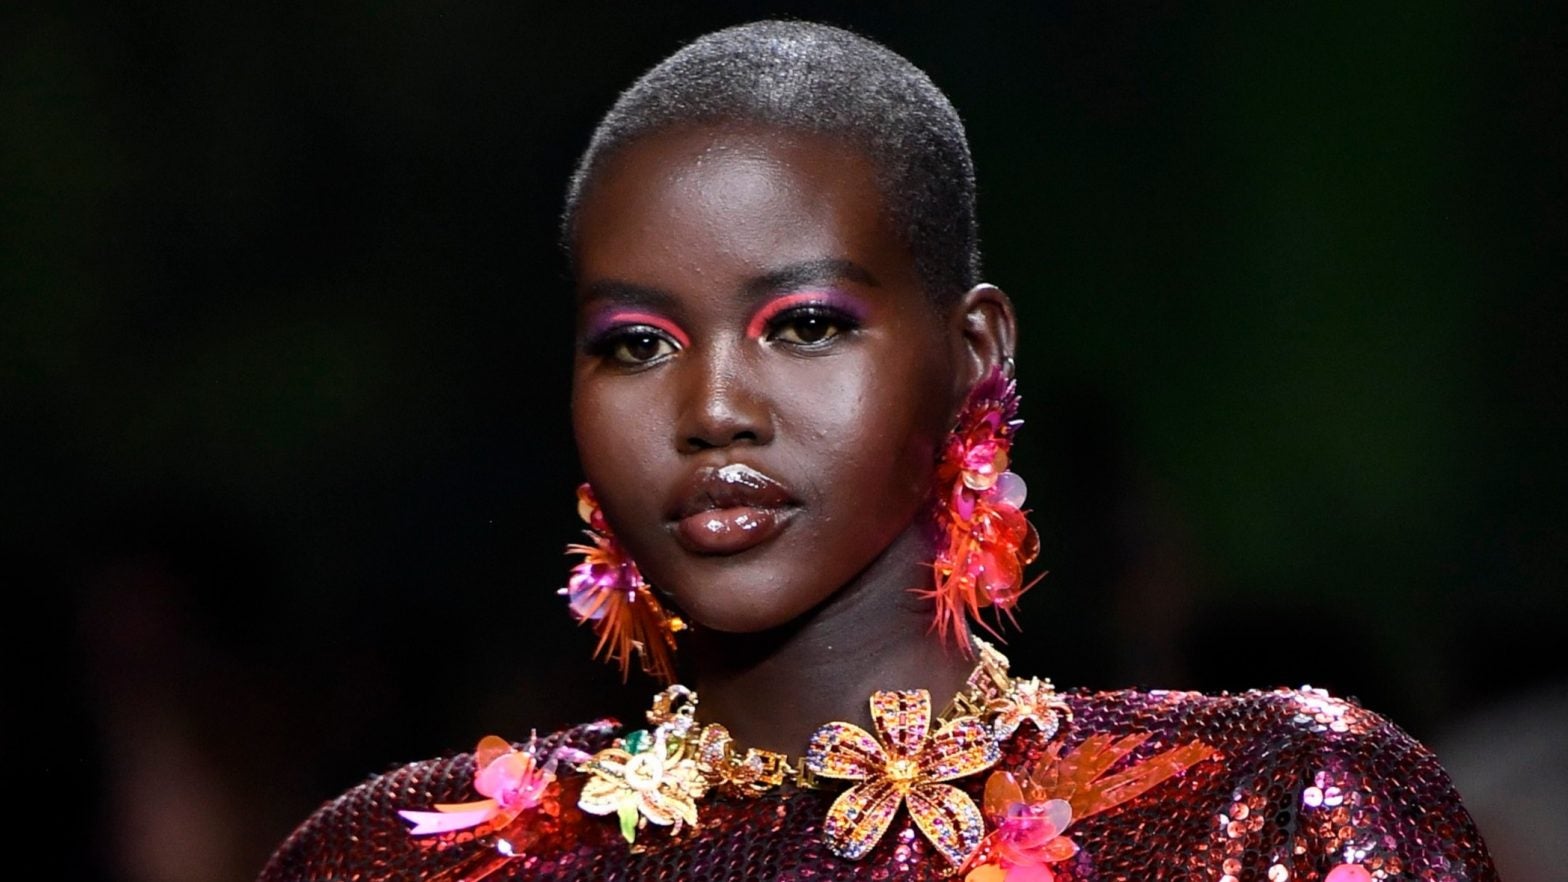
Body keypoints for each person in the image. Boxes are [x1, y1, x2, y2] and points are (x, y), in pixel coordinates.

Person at [258, 20, 1497, 882]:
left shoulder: (1267, 803)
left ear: (971, 349)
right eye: (635, 344)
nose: (712, 408)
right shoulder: (401, 857)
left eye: (804, 326)